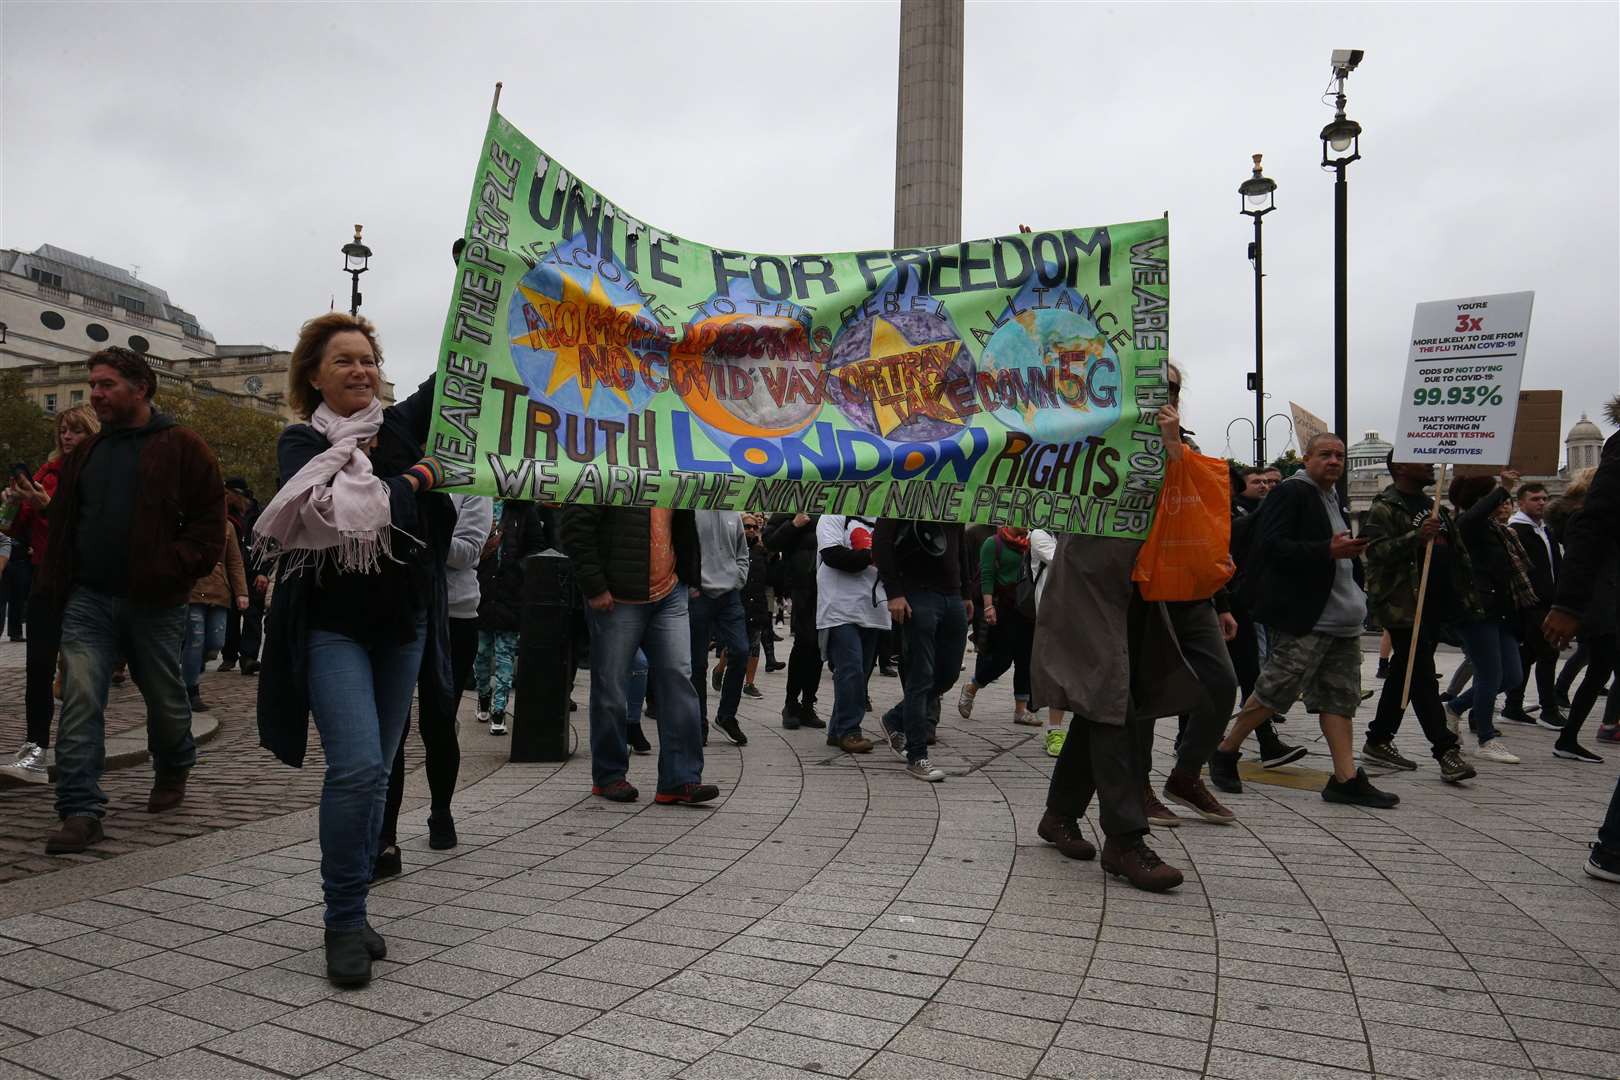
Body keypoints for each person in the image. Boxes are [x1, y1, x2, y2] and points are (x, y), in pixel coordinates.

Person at [255, 313, 456, 988]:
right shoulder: (300, 443)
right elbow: (331, 511)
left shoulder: (397, 429)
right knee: (360, 766)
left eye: (367, 359)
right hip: (329, 626)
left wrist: (491, 275)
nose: (359, 370)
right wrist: (416, 482)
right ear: (313, 375)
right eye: (343, 361)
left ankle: (357, 903)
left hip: (402, 628)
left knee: (383, 765)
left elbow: (458, 367)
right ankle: (341, 919)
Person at [42, 348, 225, 854]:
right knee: (80, 698)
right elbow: (65, 527)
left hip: (156, 601)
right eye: (93, 384)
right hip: (90, 599)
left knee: (166, 700)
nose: (96, 394)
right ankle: (79, 808)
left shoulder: (183, 445)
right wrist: (54, 587)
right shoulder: (86, 454)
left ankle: (173, 765)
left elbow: (211, 522)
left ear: (140, 387)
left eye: (106, 385)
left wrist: (172, 566)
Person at [1032, 385, 1204, 892]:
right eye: (1154, 387)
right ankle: (1126, 839)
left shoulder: (1177, 444)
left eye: (1171, 390)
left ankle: (1059, 814)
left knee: (1106, 704)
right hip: (1089, 578)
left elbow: (1193, 513)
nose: (1162, 397)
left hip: (1146, 585)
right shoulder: (1085, 431)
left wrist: (1173, 448)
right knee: (1110, 702)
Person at [1210, 434, 1398, 809]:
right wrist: (1326, 550)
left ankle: (1345, 778)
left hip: (1342, 620)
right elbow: (1270, 546)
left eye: (1340, 456)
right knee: (1275, 689)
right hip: (1308, 617)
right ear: (1307, 458)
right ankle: (1225, 750)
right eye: (1325, 454)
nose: (1334, 461)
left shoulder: (1332, 498)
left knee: (1338, 697)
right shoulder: (1293, 493)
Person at [560, 504, 717, 806]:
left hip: (670, 589)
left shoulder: (673, 462)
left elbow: (684, 520)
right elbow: (576, 525)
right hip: (618, 594)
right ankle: (609, 775)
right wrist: (594, 586)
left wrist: (690, 574)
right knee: (612, 688)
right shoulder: (606, 460)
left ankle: (680, 778)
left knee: (679, 682)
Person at [374, 493, 492, 877]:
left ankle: (440, 811)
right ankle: (385, 837)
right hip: (399, 608)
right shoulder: (398, 475)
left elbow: (468, 551)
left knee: (438, 721)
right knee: (393, 726)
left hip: (454, 615)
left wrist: (410, 537)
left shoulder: (472, 484)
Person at [1359, 455, 1478, 783]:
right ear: (1399, 468)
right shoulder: (1385, 506)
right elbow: (1376, 552)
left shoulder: (1433, 503)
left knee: (1404, 673)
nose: (1429, 465)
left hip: (1434, 603)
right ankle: (1445, 750)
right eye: (1420, 461)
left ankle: (1379, 739)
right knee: (1423, 675)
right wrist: (1417, 537)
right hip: (1403, 606)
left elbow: (1457, 552)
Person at [1543, 395, 1620, 880]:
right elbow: (1590, 532)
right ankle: (1612, 849)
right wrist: (1567, 604)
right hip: (1602, 604)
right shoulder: (1617, 458)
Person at [2, 405, 100, 775]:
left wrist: (47, 506)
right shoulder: (46, 472)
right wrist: (12, 504)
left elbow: (90, 524)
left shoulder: (99, 472)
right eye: (62, 430)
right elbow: (13, 528)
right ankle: (35, 745)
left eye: (75, 430)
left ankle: (81, 747)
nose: (66, 437)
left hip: (85, 580)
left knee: (83, 668)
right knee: (38, 664)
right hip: (46, 577)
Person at [1443, 471, 1546, 763]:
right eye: (1497, 497)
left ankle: (1455, 707)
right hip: (1477, 610)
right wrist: (1503, 488)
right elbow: (1473, 517)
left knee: (1512, 675)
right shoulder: (1466, 525)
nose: (1504, 503)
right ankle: (1486, 737)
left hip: (1502, 610)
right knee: (1489, 674)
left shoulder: (1497, 530)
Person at [873, 518, 972, 780]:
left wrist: (966, 593)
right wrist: (894, 592)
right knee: (921, 675)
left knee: (948, 673)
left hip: (951, 595)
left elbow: (959, 543)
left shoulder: (953, 493)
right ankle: (917, 755)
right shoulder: (904, 492)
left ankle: (895, 718)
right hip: (917, 593)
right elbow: (881, 542)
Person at [817, 515, 890, 753]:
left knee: (862, 672)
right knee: (851, 669)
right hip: (840, 606)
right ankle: (850, 731)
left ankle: (836, 730)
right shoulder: (833, 515)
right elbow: (833, 556)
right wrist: (874, 555)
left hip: (874, 608)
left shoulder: (885, 520)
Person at [474, 500, 544, 736]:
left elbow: (536, 546)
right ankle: (484, 696)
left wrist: (518, 569)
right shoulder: (479, 502)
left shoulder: (523, 509)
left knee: (505, 652)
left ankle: (499, 710)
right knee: (481, 651)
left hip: (510, 590)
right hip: (482, 588)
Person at [957, 526, 1037, 725]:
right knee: (1002, 659)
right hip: (1003, 607)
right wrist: (988, 606)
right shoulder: (994, 542)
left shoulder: (1033, 542)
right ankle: (972, 686)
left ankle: (1021, 709)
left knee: (1025, 658)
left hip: (1026, 608)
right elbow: (987, 575)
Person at [1503, 482, 1566, 729]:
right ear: (1521, 502)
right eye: (1535, 499)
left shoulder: (1545, 530)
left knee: (1528, 654)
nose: (1541, 503)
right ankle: (1548, 710)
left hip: (1549, 600)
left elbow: (1555, 565)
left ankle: (1513, 706)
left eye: (1544, 499)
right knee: (1548, 653)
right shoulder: (1517, 530)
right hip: (1531, 603)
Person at [691, 510, 750, 747]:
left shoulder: (733, 514)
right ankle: (698, 722)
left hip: (729, 595)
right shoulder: (691, 511)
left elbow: (742, 552)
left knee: (741, 650)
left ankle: (726, 716)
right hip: (698, 594)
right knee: (697, 663)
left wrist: (738, 578)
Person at [183, 506, 248, 713]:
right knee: (195, 639)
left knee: (215, 643)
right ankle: (191, 690)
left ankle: (192, 668)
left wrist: (241, 592)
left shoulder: (227, 526)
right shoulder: (187, 521)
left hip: (220, 591)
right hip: (193, 589)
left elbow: (234, 561)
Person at [765, 513, 826, 729]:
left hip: (829, 585)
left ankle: (808, 704)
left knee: (819, 647)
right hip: (802, 584)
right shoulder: (792, 502)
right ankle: (791, 703)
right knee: (804, 643)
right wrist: (793, 525)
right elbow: (770, 540)